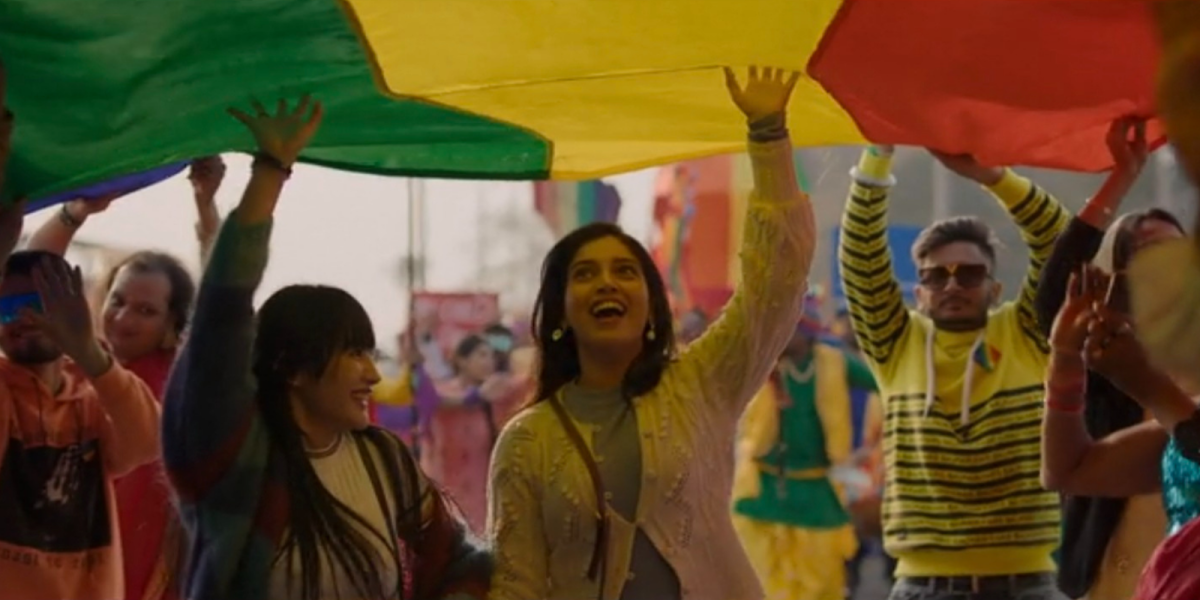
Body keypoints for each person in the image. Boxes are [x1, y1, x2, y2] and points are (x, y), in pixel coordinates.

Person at [487, 65, 815, 600]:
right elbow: (514, 584)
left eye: (624, 271)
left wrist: (768, 136)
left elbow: (774, 285)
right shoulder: (526, 442)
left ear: (651, 304)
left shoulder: (702, 385)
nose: (606, 284)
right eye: (585, 274)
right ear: (560, 314)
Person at [162, 97, 489, 600]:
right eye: (353, 353)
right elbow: (219, 319)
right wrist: (270, 171)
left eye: (371, 353)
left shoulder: (383, 460)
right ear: (291, 367)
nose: (373, 375)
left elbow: (457, 555)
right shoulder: (235, 459)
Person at [838, 143, 1070, 599]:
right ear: (919, 291)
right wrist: (878, 152)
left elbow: (1062, 244)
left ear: (995, 286)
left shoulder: (1029, 332)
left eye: (969, 274)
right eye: (934, 276)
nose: (951, 285)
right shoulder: (895, 344)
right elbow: (859, 255)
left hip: (1028, 585)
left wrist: (996, 177)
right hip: (923, 586)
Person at [23, 157, 224, 600]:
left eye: (146, 310)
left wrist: (206, 209)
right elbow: (30, 276)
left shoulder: (181, 377)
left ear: (173, 324)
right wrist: (73, 212)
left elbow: (223, 296)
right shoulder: (67, 368)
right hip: (70, 556)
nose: (124, 317)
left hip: (154, 563)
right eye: (118, 300)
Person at [1035, 117, 1188, 600]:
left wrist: (1148, 384)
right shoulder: (1107, 360)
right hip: (1118, 579)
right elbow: (1066, 472)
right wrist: (1121, 178)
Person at [731, 295, 876, 600]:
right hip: (764, 489)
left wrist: (875, 445)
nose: (780, 336)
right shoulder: (761, 362)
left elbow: (888, 385)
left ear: (806, 329)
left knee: (820, 585)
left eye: (789, 329)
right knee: (760, 583)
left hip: (815, 490)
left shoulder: (834, 362)